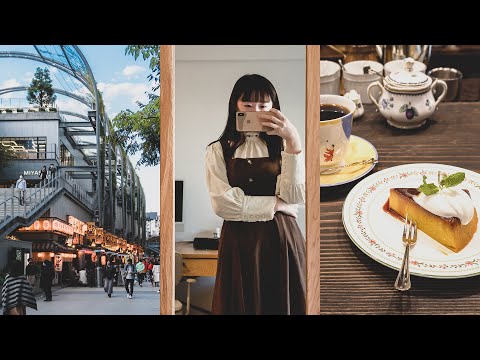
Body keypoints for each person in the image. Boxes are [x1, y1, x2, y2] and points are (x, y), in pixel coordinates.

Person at [205, 74, 306, 315]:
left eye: (263, 106)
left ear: (274, 107)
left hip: (282, 238)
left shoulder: (285, 146)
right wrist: (276, 204)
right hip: (238, 243)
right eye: (248, 105)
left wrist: (293, 139)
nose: (256, 111)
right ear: (235, 106)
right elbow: (222, 204)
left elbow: (295, 195)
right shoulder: (217, 150)